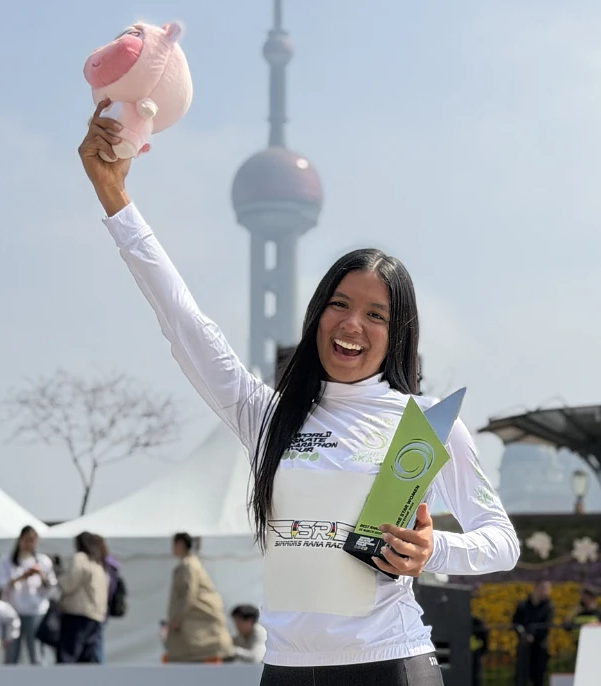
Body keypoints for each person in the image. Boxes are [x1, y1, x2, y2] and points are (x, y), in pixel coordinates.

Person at [79, 102, 518, 685]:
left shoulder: (424, 425)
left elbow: (502, 542)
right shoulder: (267, 415)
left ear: (400, 331)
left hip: (389, 665)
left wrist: (432, 552)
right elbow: (182, 320)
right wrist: (115, 197)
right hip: (286, 670)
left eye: (375, 314)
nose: (351, 325)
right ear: (317, 315)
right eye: (339, 304)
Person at [163, 533, 233, 664]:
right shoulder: (189, 564)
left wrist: (177, 618)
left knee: (200, 649)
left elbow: (189, 593)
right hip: (191, 621)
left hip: (197, 622)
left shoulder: (189, 565)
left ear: (181, 544)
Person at [0, 525, 57, 665]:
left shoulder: (43, 561)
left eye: (32, 540)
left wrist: (40, 575)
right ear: (20, 540)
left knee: (36, 653)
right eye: (26, 540)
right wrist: (22, 576)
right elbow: (0, 585)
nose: (29, 544)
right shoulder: (7, 561)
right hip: (12, 611)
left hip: (35, 611)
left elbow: (51, 587)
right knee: (11, 654)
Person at [56, 531, 110, 663]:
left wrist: (57, 578)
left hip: (77, 615)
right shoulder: (97, 562)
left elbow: (69, 583)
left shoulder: (80, 558)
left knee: (68, 657)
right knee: (88, 659)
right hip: (95, 616)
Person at [511, 581, 553, 686]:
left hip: (539, 647)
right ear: (537, 588)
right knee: (521, 677)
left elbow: (546, 626)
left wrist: (533, 636)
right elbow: (515, 622)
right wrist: (523, 634)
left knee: (538, 678)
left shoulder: (548, 607)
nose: (547, 592)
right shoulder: (523, 605)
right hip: (524, 647)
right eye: (544, 588)